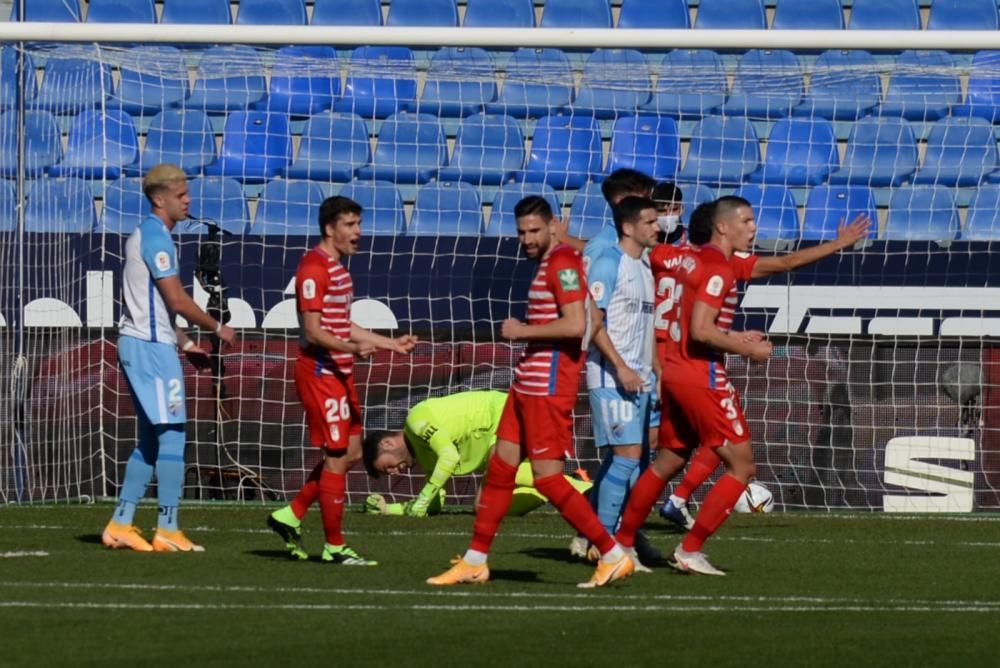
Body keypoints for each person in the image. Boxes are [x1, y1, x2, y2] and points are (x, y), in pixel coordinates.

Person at [617, 197, 869, 575]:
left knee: (669, 459)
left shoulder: (688, 258)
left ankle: (620, 544)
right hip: (701, 372)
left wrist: (836, 245)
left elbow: (781, 264)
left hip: (672, 370)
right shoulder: (718, 267)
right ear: (723, 227)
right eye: (748, 221)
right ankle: (690, 549)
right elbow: (702, 330)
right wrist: (746, 349)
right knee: (742, 465)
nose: (754, 228)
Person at [426, 195, 634, 588]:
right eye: (521, 232)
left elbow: (576, 325)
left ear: (554, 225)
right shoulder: (549, 266)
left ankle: (611, 554)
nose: (527, 239)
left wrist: (522, 331)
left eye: (534, 230)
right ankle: (475, 560)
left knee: (548, 479)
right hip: (526, 384)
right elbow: (591, 316)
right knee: (501, 470)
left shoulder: (563, 266)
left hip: (548, 388)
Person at [266, 196, 417, 565]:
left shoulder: (340, 271)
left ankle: (290, 514)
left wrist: (389, 343)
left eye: (359, 224)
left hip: (340, 373)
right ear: (330, 228)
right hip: (320, 373)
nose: (358, 233)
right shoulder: (313, 268)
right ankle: (334, 546)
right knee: (336, 458)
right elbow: (314, 331)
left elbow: (342, 324)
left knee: (350, 453)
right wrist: (350, 349)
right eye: (350, 225)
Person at [102, 163, 236, 553]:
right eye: (181, 195)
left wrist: (183, 340)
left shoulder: (146, 234)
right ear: (159, 199)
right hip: (149, 348)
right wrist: (217, 328)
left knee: (151, 440)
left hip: (145, 342)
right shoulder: (157, 239)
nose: (188, 201)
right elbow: (177, 299)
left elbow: (155, 307)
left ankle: (121, 523)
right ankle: (168, 528)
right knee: (174, 434)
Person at [361, 390, 591, 518]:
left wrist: (421, 500)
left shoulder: (416, 422)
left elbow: (449, 457)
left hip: (506, 414)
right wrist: (388, 509)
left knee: (496, 464)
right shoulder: (425, 454)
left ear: (389, 443)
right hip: (499, 432)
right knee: (483, 508)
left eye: (387, 466)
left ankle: (584, 491)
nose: (393, 472)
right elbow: (435, 503)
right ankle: (555, 491)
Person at [583, 196, 660, 570]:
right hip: (611, 376)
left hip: (639, 379)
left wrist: (651, 372)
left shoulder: (644, 266)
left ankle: (612, 541)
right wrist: (621, 368)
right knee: (626, 459)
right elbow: (593, 323)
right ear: (628, 227)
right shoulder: (608, 263)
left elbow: (645, 329)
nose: (657, 227)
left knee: (638, 461)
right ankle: (606, 543)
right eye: (649, 222)